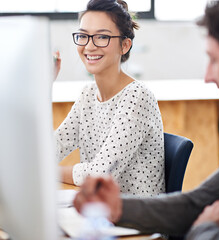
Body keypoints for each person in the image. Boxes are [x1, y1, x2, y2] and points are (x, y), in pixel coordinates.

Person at [73, 0, 219, 239]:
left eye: (214, 60)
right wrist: (116, 207)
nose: (208, 77)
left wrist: (203, 227)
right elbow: (196, 203)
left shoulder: (136, 96)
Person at [55, 0, 165, 197]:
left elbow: (100, 173)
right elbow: (52, 148)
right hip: (101, 215)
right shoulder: (87, 96)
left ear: (125, 45)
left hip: (136, 223)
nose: (89, 46)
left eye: (102, 37)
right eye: (83, 36)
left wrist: (51, 172)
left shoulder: (137, 97)